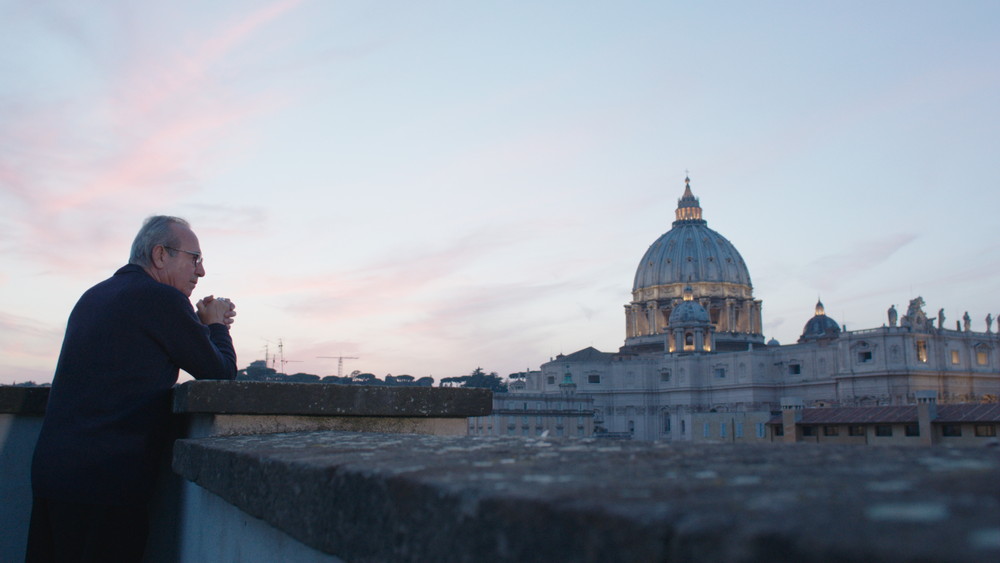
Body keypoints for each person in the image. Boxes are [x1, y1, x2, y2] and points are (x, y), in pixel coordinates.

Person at [26, 216, 237, 562]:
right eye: (195, 258)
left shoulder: (94, 295)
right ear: (160, 255)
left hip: (54, 474)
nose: (201, 272)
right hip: (105, 483)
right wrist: (215, 326)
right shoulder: (161, 300)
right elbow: (221, 375)